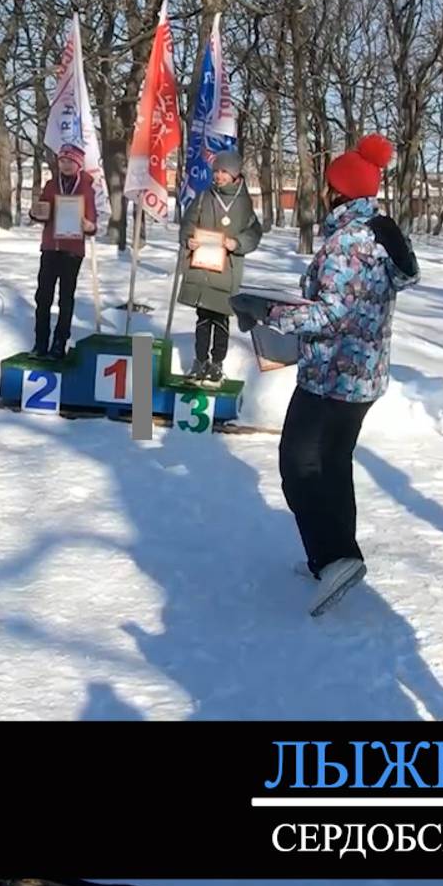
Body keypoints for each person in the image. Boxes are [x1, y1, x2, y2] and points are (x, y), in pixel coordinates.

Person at [245, 135, 417, 617]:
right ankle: (334, 558)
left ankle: (334, 556)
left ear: (338, 191)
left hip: (332, 376)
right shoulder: (378, 233)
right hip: (361, 376)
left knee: (298, 466)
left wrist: (273, 312)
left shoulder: (348, 243)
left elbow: (332, 315)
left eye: (327, 186)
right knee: (334, 464)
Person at [174, 151, 264, 382]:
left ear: (235, 174)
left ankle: (217, 364)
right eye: (216, 171)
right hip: (202, 268)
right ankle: (199, 361)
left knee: (221, 318)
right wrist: (189, 240)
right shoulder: (204, 197)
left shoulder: (244, 203)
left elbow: (254, 233)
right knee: (203, 318)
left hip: (227, 270)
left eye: (224, 171)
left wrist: (237, 243)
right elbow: (187, 225)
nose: (219, 176)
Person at [27, 144, 97, 359]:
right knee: (43, 297)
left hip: (72, 250)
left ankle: (59, 343)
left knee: (65, 298)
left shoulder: (86, 188)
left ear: (78, 164)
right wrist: (35, 213)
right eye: (62, 161)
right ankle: (40, 343)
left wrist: (88, 226)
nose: (65, 165)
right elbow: (42, 211)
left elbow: (93, 222)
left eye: (70, 162)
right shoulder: (50, 185)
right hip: (50, 247)